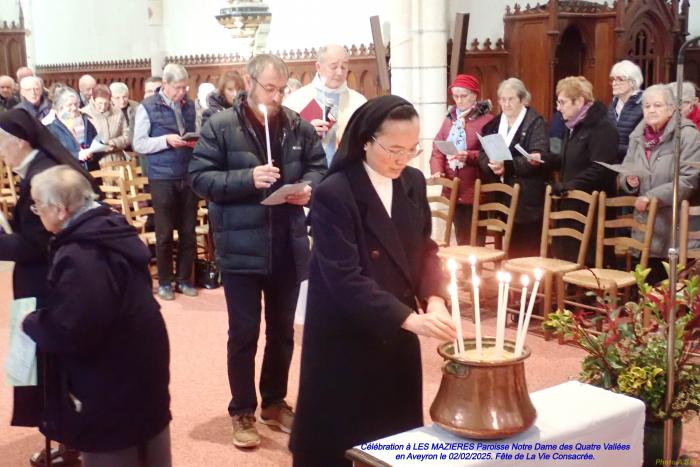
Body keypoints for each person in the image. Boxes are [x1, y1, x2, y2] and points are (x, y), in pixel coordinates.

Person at [290, 95, 457, 467]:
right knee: (342, 437)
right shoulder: (336, 192)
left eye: (411, 149)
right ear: (366, 140)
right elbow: (343, 277)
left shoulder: (412, 182)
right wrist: (411, 319)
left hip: (395, 327)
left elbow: (424, 249)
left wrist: (435, 298)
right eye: (394, 149)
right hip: (347, 332)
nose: (402, 159)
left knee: (394, 435)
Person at [189, 53, 326, 449]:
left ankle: (273, 401)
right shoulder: (220, 126)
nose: (278, 96)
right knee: (244, 333)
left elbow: (319, 166)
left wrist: (308, 189)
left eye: (283, 89)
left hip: (287, 243)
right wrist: (247, 178)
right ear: (249, 83)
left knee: (283, 332)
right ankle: (242, 410)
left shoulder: (296, 126)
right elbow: (199, 178)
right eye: (270, 88)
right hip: (240, 246)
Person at [23, 165, 172, 467]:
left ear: (61, 209)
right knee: (150, 439)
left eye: (38, 206)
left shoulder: (82, 255)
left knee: (114, 444)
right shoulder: (112, 227)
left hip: (111, 377)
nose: (37, 213)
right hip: (143, 362)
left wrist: (32, 322)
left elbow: (73, 331)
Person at [0, 108, 97, 467]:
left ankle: (69, 445)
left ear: (21, 142)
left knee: (52, 367)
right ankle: (65, 441)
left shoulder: (44, 175)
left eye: (1, 144)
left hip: (48, 283)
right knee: (45, 368)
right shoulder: (37, 169)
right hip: (43, 280)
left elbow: (38, 243)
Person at [619, 84, 700, 283]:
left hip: (674, 228)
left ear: (672, 109)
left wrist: (651, 196)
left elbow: (688, 179)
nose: (651, 110)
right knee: (646, 290)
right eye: (647, 106)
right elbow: (625, 169)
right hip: (644, 226)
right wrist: (629, 181)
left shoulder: (688, 136)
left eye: (658, 105)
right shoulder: (637, 137)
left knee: (668, 293)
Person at [133, 63, 199, 301]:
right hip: (162, 176)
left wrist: (194, 141)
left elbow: (196, 131)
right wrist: (165, 140)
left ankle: (184, 279)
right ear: (166, 85)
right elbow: (139, 144)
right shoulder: (148, 107)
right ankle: (164, 282)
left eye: (185, 87)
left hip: (187, 174)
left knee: (188, 232)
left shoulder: (190, 104)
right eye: (178, 88)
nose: (182, 92)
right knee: (163, 233)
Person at [539, 76, 618, 262]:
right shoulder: (573, 125)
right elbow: (571, 160)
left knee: (587, 261)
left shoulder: (602, 128)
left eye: (562, 102)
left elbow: (601, 168)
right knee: (566, 258)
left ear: (580, 101)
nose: (558, 108)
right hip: (572, 202)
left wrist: (569, 185)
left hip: (592, 205)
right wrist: (545, 159)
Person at [478, 78, 548, 258]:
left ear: (522, 99)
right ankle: (506, 284)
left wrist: (507, 167)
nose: (506, 104)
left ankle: (525, 285)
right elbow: (483, 152)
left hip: (526, 197)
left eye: (511, 99)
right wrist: (491, 164)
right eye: (502, 99)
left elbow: (536, 158)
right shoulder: (493, 124)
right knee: (504, 249)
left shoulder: (535, 123)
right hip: (501, 196)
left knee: (524, 249)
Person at [429, 73, 493, 245]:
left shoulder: (486, 121)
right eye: (455, 96)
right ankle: (464, 271)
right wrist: (437, 170)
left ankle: (474, 269)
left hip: (475, 186)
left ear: (474, 96)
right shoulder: (450, 120)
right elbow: (437, 147)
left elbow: (491, 154)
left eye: (463, 96)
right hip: (453, 185)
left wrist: (469, 156)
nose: (459, 100)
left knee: (475, 239)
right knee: (460, 236)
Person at [283, 44, 367, 166]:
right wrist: (305, 133)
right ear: (318, 66)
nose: (339, 72)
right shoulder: (296, 100)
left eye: (344, 67)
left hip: (346, 172)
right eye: (333, 67)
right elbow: (281, 139)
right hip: (308, 172)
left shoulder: (358, 102)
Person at [47, 87, 100, 171]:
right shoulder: (52, 129)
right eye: (69, 105)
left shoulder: (86, 123)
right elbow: (52, 155)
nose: (74, 108)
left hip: (91, 171)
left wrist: (91, 154)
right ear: (60, 108)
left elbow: (98, 144)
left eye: (76, 104)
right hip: (69, 175)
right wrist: (77, 156)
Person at [82, 84, 130, 164]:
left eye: (106, 103)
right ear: (92, 99)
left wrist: (114, 143)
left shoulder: (117, 112)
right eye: (99, 103)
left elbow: (127, 135)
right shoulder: (85, 114)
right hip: (96, 162)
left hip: (118, 159)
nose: (103, 107)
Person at [607, 60, 644, 160]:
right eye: (613, 79)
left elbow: (643, 144)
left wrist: (613, 149)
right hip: (611, 163)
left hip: (633, 164)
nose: (614, 83)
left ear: (632, 82)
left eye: (620, 79)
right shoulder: (612, 106)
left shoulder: (644, 105)